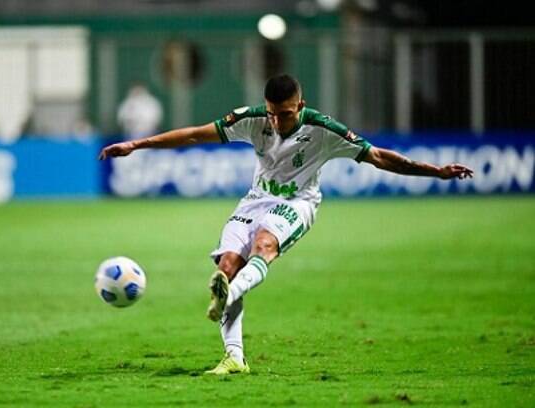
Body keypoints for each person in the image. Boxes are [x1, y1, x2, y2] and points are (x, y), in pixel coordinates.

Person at [99, 74, 473, 375]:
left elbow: (377, 156)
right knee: (228, 264)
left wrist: (435, 172)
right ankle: (234, 358)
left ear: (301, 106)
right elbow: (196, 133)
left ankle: (226, 293)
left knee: (264, 245)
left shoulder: (324, 130)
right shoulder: (253, 120)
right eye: (273, 114)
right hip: (255, 200)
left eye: (287, 114)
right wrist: (136, 144)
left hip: (297, 203)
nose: (278, 122)